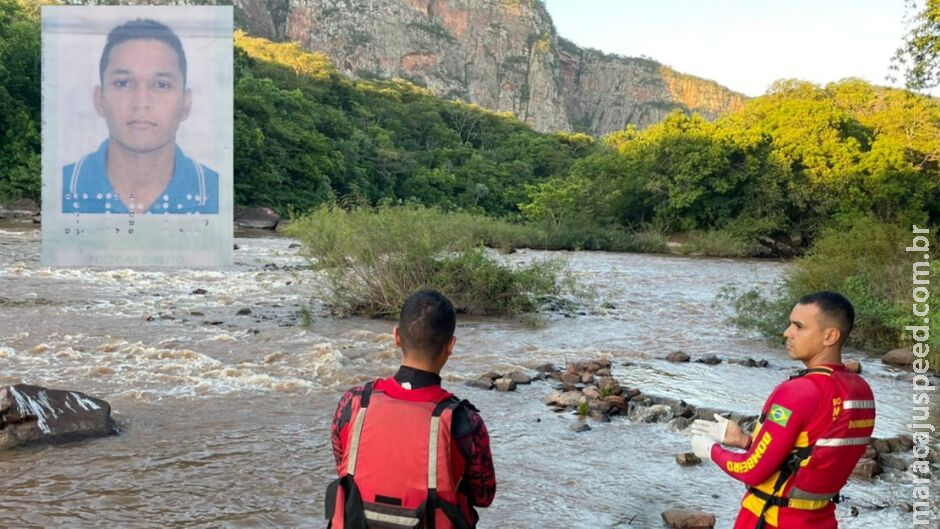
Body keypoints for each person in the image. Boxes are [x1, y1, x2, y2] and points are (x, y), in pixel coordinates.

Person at [690, 291, 876, 529]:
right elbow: (813, 456)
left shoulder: (798, 392)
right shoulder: (861, 390)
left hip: (771, 519)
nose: (787, 333)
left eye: (799, 326)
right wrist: (746, 441)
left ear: (829, 336)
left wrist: (710, 450)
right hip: (821, 520)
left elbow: (751, 471)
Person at [327, 289, 496, 529]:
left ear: (396, 336)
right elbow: (483, 496)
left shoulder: (352, 404)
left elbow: (344, 469)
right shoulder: (465, 421)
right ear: (450, 345)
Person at [61, 18, 218, 215]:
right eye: (123, 83)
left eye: (161, 84)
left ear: (185, 103)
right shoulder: (59, 188)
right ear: (99, 100)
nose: (141, 102)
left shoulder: (217, 193)